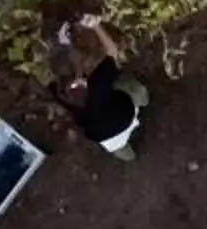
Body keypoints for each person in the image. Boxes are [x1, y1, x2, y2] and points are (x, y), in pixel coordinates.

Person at [58, 12, 148, 160]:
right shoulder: (97, 84)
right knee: (128, 86)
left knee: (120, 149)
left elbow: (77, 92)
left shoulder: (71, 106)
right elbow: (113, 52)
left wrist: (78, 73)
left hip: (108, 138)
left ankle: (128, 156)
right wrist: (96, 25)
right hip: (125, 114)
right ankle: (143, 100)